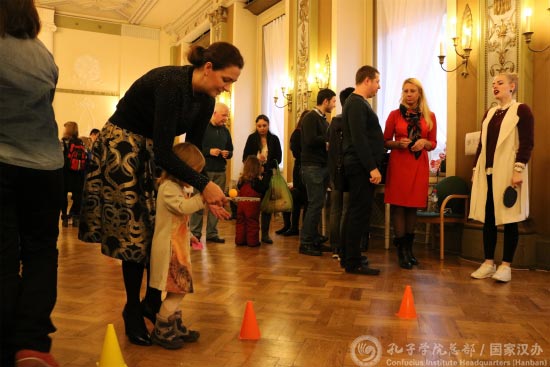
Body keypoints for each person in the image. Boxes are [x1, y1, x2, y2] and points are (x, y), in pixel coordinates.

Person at [79, 42, 243, 346]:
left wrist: (204, 190)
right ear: (208, 68)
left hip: (157, 151)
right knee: (135, 233)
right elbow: (167, 152)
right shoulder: (171, 84)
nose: (226, 88)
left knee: (160, 232)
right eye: (226, 80)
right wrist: (205, 185)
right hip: (123, 148)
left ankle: (152, 306)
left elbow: (190, 154)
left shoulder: (206, 100)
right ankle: (132, 309)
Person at [0, 0, 63, 365]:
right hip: (45, 168)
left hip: (3, 163)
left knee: (4, 259)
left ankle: (7, 342)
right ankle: (32, 343)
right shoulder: (43, 55)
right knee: (41, 253)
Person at [469, 72, 534, 283]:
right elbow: (481, 144)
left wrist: (518, 169)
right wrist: (474, 171)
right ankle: (488, 263)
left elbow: (527, 142)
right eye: (493, 83)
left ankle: (506, 265)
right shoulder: (490, 113)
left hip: (508, 172)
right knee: (488, 218)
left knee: (509, 219)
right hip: (487, 172)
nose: (495, 86)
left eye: (500, 83)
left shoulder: (521, 110)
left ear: (512, 86)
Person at [149, 143, 204, 350]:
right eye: (194, 171)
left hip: (178, 247)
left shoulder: (178, 188)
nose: (194, 176)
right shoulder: (168, 188)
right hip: (170, 250)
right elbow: (183, 208)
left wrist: (189, 235)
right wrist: (204, 197)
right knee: (178, 290)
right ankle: (162, 327)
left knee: (178, 289)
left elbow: (178, 219)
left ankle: (174, 324)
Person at [384, 78, 437, 269]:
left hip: (418, 165)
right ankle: (401, 252)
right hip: (399, 164)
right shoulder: (394, 115)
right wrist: (398, 144)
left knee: (413, 207)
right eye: (405, 91)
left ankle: (409, 250)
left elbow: (433, 142)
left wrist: (424, 143)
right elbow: (385, 141)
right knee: (398, 207)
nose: (408, 94)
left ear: (419, 93)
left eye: (412, 91)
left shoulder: (429, 116)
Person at [341, 65, 384, 275]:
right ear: (367, 80)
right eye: (377, 81)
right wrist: (372, 168)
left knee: (354, 212)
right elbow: (360, 139)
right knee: (358, 213)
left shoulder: (355, 102)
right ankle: (353, 261)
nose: (379, 86)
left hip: (358, 166)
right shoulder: (357, 104)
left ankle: (350, 256)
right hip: (360, 167)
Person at [299, 89, 336, 256]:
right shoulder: (310, 117)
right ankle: (306, 242)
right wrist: (328, 142)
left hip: (321, 166)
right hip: (312, 166)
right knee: (314, 205)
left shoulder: (323, 119)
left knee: (318, 204)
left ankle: (314, 239)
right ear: (326, 101)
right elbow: (309, 139)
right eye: (333, 101)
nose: (335, 105)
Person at [190, 102, 233, 244]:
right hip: (203, 171)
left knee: (218, 203)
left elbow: (231, 150)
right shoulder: (202, 128)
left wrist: (228, 153)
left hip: (220, 171)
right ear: (214, 114)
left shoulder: (226, 131)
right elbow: (194, 149)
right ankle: (195, 233)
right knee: (198, 202)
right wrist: (209, 151)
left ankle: (212, 233)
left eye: (227, 115)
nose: (226, 118)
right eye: (224, 115)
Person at [242, 115, 282, 244]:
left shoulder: (274, 139)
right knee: (254, 203)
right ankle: (252, 232)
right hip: (253, 175)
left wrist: (266, 165)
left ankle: (265, 234)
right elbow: (245, 157)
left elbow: (278, 159)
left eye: (264, 125)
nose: (262, 128)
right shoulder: (252, 138)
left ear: (268, 125)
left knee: (267, 204)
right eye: (259, 126)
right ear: (256, 126)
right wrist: (257, 160)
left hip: (268, 174)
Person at [327, 87, 355, 259]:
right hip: (349, 170)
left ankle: (334, 245)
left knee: (334, 210)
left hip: (334, 171)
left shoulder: (334, 122)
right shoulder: (353, 121)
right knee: (346, 209)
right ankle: (344, 243)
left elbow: (329, 148)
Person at [276, 110, 310, 237]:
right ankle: (292, 226)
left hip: (304, 167)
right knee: (297, 197)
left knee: (306, 199)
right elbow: (296, 153)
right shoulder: (298, 133)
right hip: (301, 168)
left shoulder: (305, 134)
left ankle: (303, 228)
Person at [235, 156, 270, 247]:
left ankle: (240, 240)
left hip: (241, 206)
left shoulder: (241, 180)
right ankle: (252, 242)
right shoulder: (256, 182)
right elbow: (264, 188)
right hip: (252, 206)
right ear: (257, 169)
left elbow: (239, 188)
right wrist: (265, 174)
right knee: (252, 223)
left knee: (240, 222)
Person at [60, 121, 87, 228]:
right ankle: (75, 217)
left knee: (63, 195)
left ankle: (65, 218)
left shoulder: (64, 141)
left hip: (66, 172)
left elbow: (60, 156)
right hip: (78, 172)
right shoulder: (81, 142)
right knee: (77, 196)